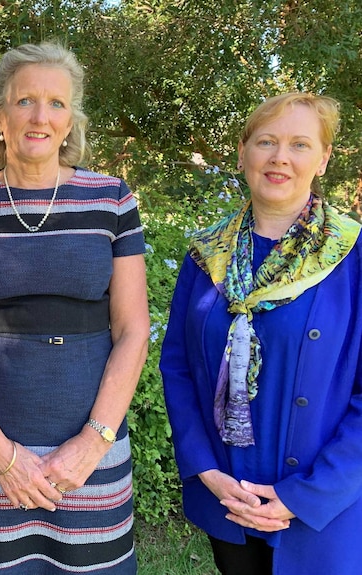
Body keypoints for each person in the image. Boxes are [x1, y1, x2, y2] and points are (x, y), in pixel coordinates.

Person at [0, 42, 149, 574]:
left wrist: (92, 445)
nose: (40, 116)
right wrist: (1, 457)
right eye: (25, 101)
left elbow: (133, 329)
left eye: (56, 103)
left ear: (71, 121)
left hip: (91, 457)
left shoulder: (112, 200)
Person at [160, 92, 362, 575]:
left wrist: (307, 495)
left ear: (324, 158)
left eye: (299, 144)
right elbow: (178, 366)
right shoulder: (206, 255)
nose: (280, 158)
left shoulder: (353, 257)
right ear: (242, 151)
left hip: (323, 507)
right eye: (266, 142)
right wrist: (203, 467)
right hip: (228, 498)